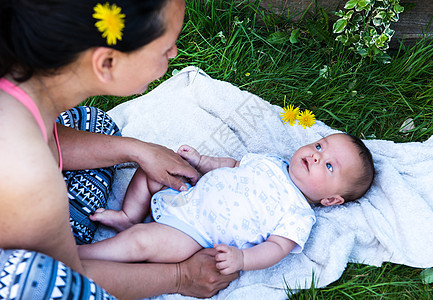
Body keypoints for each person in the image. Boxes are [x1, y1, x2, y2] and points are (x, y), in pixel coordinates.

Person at [0, 0, 238, 299]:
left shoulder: (18, 73)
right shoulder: (25, 170)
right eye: (166, 48)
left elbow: (49, 137)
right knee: (41, 282)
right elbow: (67, 279)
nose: (175, 53)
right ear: (107, 63)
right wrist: (181, 276)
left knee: (96, 125)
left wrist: (137, 150)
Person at [78, 133, 375, 275]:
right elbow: (231, 164)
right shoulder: (272, 161)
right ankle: (130, 214)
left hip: (193, 233)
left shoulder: (298, 214)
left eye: (329, 167)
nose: (315, 156)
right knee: (155, 170)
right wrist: (199, 161)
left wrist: (242, 260)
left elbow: (276, 248)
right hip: (189, 192)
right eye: (319, 146)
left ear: (331, 200)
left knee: (141, 242)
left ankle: (80, 256)